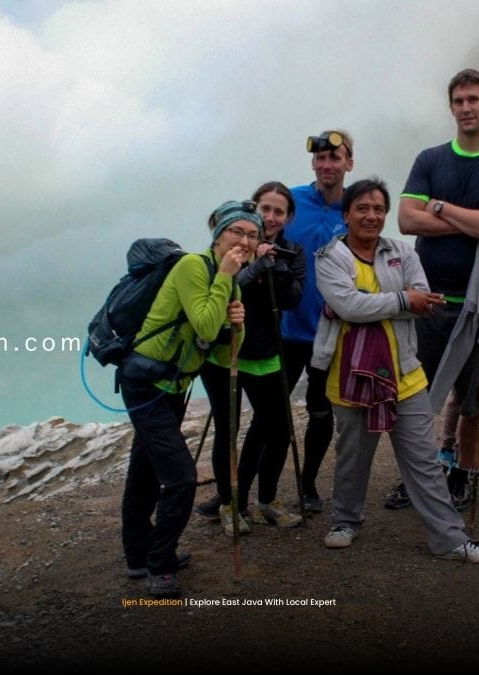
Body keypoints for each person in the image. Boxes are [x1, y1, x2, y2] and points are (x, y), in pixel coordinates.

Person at [312, 176, 479, 563]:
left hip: (404, 374)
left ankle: (450, 540)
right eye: (362, 208)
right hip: (352, 376)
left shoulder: (402, 252)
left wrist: (386, 302)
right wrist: (402, 300)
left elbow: (423, 297)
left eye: (378, 209)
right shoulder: (331, 257)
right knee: (353, 455)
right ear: (346, 214)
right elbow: (348, 306)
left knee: (424, 461)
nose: (371, 216)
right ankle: (345, 520)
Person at [389, 68, 479, 511]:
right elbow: (406, 220)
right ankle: (418, 477)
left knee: (476, 399)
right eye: (458, 101)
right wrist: (475, 221)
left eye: (473, 99)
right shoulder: (431, 159)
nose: (466, 108)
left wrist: (441, 207)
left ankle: (464, 474)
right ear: (451, 107)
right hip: (427, 300)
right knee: (414, 397)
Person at [120, 200, 252, 596]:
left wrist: (238, 324)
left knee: (145, 469)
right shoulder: (195, 267)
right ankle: (159, 564)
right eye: (236, 232)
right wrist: (226, 278)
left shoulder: (227, 277)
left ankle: (137, 555)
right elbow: (208, 326)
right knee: (181, 478)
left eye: (252, 234)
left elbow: (224, 348)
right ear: (218, 234)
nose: (244, 241)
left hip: (172, 385)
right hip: (147, 383)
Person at [196, 184, 306, 535]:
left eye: (279, 211)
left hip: (267, 351)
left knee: (278, 430)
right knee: (227, 432)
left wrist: (277, 265)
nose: (271, 217)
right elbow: (226, 289)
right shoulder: (232, 248)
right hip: (224, 353)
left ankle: (266, 501)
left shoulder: (292, 251)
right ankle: (230, 506)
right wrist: (258, 263)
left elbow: (291, 300)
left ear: (288, 217)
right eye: (266, 209)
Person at [280, 129, 355, 512]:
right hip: (286, 328)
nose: (327, 165)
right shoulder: (291, 200)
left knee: (321, 411)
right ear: (313, 163)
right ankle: (245, 492)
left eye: (335, 158)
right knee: (273, 413)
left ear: (349, 163)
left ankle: (308, 485)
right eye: (321, 159)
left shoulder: (355, 208)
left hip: (331, 332)